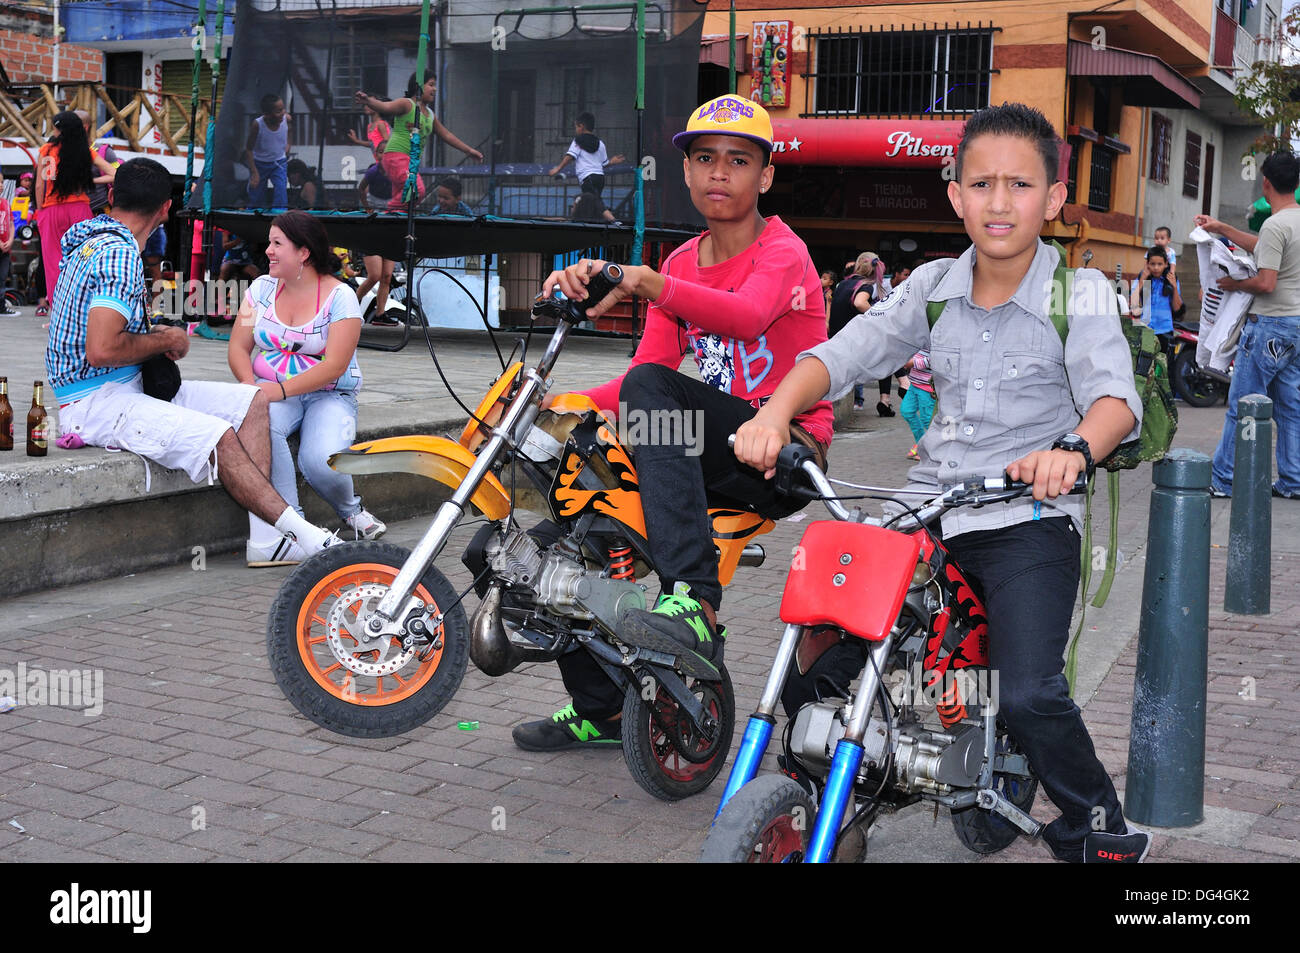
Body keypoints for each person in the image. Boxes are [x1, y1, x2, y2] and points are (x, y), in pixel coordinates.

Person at [733, 102, 1150, 865]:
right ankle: (822, 795)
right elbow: (847, 352)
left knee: (1028, 694)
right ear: (954, 193)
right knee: (819, 664)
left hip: (1029, 516)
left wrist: (1073, 449)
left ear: (1053, 200)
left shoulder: (1078, 294)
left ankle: (1099, 828)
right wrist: (775, 411)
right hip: (928, 515)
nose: (999, 201)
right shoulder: (930, 285)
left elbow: (1115, 402)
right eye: (981, 182)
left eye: (1020, 185)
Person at [510, 94, 833, 751]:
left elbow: (744, 317)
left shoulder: (783, 252)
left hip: (782, 455)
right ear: (685, 173)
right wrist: (553, 400)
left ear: (764, 176)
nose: (720, 172)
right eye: (705, 159)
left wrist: (644, 282)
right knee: (560, 541)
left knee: (649, 393)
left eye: (738, 160)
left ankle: (693, 598)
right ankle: (600, 709)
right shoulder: (683, 262)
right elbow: (643, 377)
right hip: (700, 452)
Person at [45, 159, 341, 567]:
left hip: (126, 386)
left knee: (252, 400)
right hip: (96, 401)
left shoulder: (94, 241)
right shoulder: (118, 255)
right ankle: (307, 536)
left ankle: (266, 541)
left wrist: (155, 339)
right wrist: (165, 338)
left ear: (111, 197)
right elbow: (101, 349)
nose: (270, 252)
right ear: (167, 208)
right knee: (220, 434)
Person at [228, 210, 387, 545]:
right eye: (269, 242)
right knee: (262, 427)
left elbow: (335, 365)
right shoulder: (259, 290)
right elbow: (238, 349)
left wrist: (277, 390)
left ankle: (351, 511)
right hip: (270, 394)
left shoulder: (340, 296)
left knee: (320, 462)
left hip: (329, 394)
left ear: (304, 252)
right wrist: (250, 388)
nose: (268, 250)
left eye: (277, 244)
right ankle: (295, 528)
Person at [1197, 151, 1300, 500]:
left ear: (1266, 183)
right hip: (1296, 327)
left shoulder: (1275, 224)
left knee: (1242, 406)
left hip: (1269, 327)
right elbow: (1264, 249)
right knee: (1290, 409)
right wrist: (1222, 228)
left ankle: (1222, 479)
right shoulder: (1295, 222)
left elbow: (1266, 281)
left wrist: (1234, 285)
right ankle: (1292, 480)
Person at [355, 72, 484, 212]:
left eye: (435, 85)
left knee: (407, 197)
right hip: (396, 156)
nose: (434, 89)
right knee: (417, 190)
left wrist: (469, 150)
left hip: (410, 161)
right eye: (430, 85)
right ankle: (389, 213)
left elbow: (446, 135)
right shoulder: (407, 104)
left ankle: (396, 216)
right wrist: (368, 101)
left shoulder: (430, 114)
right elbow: (385, 106)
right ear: (418, 87)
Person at [33, 110, 116, 316]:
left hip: (52, 209)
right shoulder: (85, 151)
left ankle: (58, 313)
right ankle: (81, 310)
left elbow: (39, 185)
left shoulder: (46, 150)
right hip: (80, 209)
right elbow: (115, 173)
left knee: (53, 261)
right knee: (82, 260)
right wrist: (92, 181)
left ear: (59, 129)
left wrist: (40, 210)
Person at [827, 252, 877, 409]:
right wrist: (877, 316)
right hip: (851, 337)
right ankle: (857, 401)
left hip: (836, 334)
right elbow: (859, 303)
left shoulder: (843, 284)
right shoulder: (865, 286)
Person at [548, 111, 625, 196]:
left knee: (592, 204)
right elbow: (604, 164)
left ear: (581, 126)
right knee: (594, 202)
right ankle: (601, 209)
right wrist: (612, 161)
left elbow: (570, 156)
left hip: (587, 178)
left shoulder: (578, 141)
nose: (576, 130)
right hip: (600, 178)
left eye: (576, 127)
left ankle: (604, 210)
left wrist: (558, 169)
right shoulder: (600, 143)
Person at [1128, 245, 1182, 357]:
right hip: (1146, 329)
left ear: (1166, 264)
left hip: (1165, 330)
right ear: (1147, 264)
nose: (1156, 268)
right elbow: (1132, 303)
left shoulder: (1171, 280)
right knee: (1144, 366)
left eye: (1160, 264)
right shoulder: (1142, 278)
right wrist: (1142, 279)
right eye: (1152, 264)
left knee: (1164, 367)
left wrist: (1174, 288)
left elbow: (1177, 308)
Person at [245, 93, 292, 209]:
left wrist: (288, 145)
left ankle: (280, 215)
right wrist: (254, 172)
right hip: (260, 163)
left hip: (279, 162)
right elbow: (249, 149)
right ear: (267, 114)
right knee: (256, 194)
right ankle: (253, 215)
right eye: (278, 111)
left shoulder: (287, 119)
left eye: (283, 109)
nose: (282, 113)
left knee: (281, 191)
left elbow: (290, 131)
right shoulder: (257, 125)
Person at [0, 170, 16, 315]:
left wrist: (10, 240)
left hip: (5, 248)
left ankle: (1, 306)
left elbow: (11, 223)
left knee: (2, 277)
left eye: (1, 182)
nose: (1, 185)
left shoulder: (5, 202)